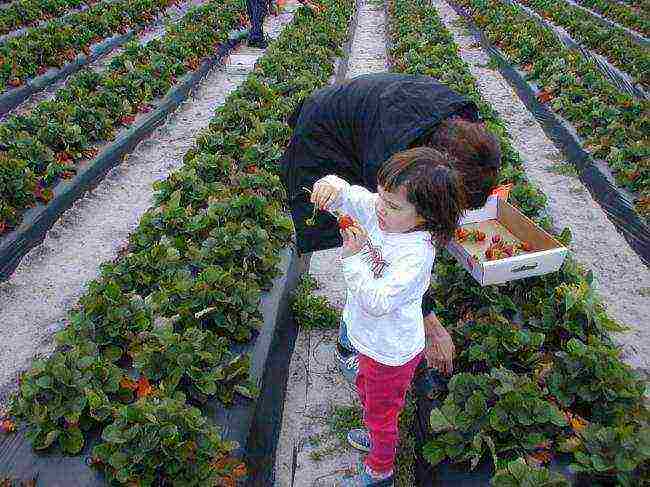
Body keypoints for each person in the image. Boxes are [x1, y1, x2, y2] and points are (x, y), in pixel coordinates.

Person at [280, 73, 501, 382]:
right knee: (369, 251)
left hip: (365, 117)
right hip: (325, 140)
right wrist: (432, 326)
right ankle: (349, 347)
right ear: (439, 168)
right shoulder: (391, 161)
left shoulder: (463, 130)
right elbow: (382, 247)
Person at [308, 147, 467, 486]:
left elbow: (378, 300)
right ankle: (376, 430)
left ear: (426, 215)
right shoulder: (385, 216)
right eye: (382, 196)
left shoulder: (415, 255)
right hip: (371, 340)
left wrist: (352, 260)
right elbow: (351, 197)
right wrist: (330, 185)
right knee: (367, 391)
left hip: (391, 351)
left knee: (382, 415)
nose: (380, 207)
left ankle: (380, 470)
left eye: (393, 205)